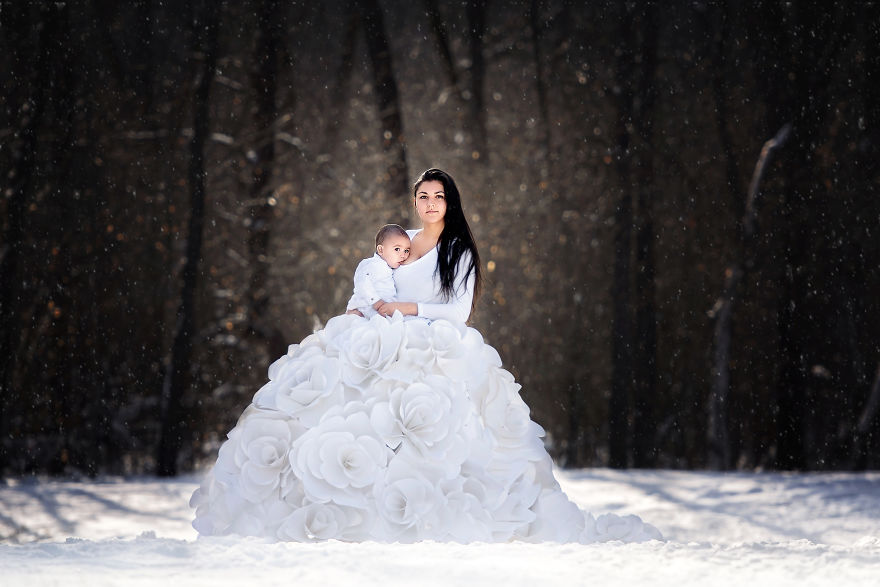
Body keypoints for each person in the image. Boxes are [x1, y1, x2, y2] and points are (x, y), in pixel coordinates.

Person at [190, 168, 661, 544]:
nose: (430, 203)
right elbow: (375, 280)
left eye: (438, 196)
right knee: (354, 415)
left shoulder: (459, 251)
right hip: (381, 338)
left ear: (450, 202)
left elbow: (457, 311)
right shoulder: (400, 239)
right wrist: (365, 306)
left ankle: (422, 510)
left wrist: (406, 308)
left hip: (431, 343)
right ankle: (344, 508)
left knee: (423, 429)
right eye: (423, 196)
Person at [345, 224, 411, 318]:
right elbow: (362, 283)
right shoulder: (372, 264)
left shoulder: (390, 268)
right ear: (380, 250)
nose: (403, 255)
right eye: (397, 249)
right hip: (363, 310)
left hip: (380, 312)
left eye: (406, 250)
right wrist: (375, 301)